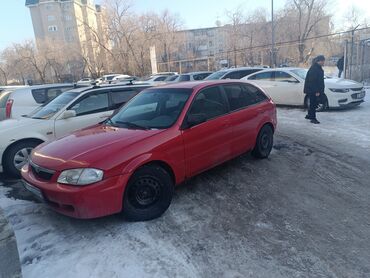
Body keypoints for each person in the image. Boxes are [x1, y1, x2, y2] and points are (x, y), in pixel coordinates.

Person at [304, 55, 325, 124]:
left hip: (313, 89)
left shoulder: (317, 67)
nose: (323, 62)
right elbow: (312, 81)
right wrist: (316, 91)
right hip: (313, 90)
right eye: (322, 61)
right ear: (318, 61)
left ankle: (309, 115)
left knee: (312, 103)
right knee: (313, 104)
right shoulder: (315, 68)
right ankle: (313, 118)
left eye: (323, 61)